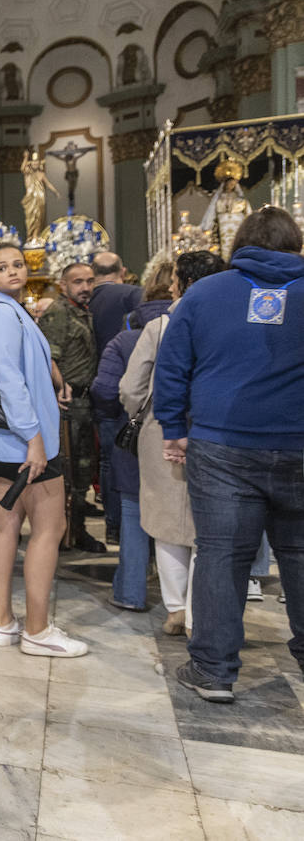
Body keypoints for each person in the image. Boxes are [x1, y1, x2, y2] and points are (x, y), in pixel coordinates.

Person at [156, 207, 304, 703]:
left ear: (239, 243)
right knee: (301, 555)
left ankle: (214, 671)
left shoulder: (204, 293)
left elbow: (172, 367)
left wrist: (174, 429)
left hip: (223, 445)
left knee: (222, 555)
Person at [0, 243, 89, 658]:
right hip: (22, 440)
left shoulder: (9, 310)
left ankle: (4, 623)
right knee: (48, 529)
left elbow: (31, 363)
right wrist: (34, 438)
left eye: (17, 264)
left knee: (6, 527)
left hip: (4, 440)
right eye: (2, 267)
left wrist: (55, 383)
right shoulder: (3, 313)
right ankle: (37, 630)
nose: (13, 272)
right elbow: (8, 379)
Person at [122, 251, 226, 636]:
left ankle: (176, 609)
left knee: (166, 523)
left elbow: (131, 387)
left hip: (161, 430)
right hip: (211, 430)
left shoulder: (160, 326)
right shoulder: (226, 320)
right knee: (208, 528)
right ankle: (201, 615)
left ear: (179, 282)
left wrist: (142, 415)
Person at [89, 263, 172, 612]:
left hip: (135, 437)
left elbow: (104, 388)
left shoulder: (125, 339)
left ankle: (131, 591)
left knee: (135, 513)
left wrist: (115, 417)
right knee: (180, 518)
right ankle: (182, 605)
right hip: (186, 440)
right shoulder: (196, 329)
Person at [39, 260, 105, 552]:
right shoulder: (58, 312)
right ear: (63, 285)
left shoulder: (82, 312)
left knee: (82, 469)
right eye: (78, 282)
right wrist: (59, 386)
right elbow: (47, 356)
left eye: (90, 281)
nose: (86, 287)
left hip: (84, 401)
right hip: (67, 403)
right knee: (70, 470)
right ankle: (65, 532)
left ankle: (76, 529)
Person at [88, 251, 145, 547]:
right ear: (122, 271)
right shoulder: (133, 294)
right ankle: (125, 528)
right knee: (127, 463)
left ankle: (112, 525)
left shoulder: (84, 300)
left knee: (108, 462)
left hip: (94, 389)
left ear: (93, 272)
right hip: (128, 390)